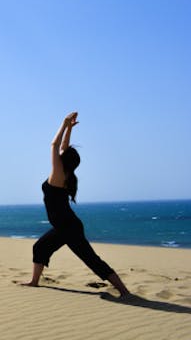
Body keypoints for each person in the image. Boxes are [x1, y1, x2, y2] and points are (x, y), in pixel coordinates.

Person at [23, 112, 130, 297]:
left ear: (63, 160)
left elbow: (55, 145)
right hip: (64, 226)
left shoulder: (58, 175)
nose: (61, 153)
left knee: (91, 260)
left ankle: (124, 292)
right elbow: (63, 147)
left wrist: (63, 124)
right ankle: (34, 282)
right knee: (40, 248)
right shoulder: (66, 174)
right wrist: (70, 129)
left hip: (68, 227)